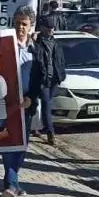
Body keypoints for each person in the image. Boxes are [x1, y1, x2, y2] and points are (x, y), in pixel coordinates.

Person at [1, 8, 36, 197]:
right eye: (17, 23)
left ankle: (12, 182)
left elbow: (42, 77)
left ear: (31, 27)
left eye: (24, 24)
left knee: (22, 145)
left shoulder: (36, 49)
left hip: (27, 103)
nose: (20, 27)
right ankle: (11, 184)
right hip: (7, 102)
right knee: (9, 143)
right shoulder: (5, 45)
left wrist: (32, 97)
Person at [32, 14, 66, 145]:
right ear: (42, 28)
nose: (51, 30)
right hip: (42, 79)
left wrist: (61, 75)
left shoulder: (56, 43)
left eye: (53, 28)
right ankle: (50, 133)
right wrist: (32, 39)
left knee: (44, 104)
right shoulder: (37, 42)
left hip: (54, 79)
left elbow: (61, 60)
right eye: (48, 27)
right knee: (46, 104)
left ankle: (36, 127)